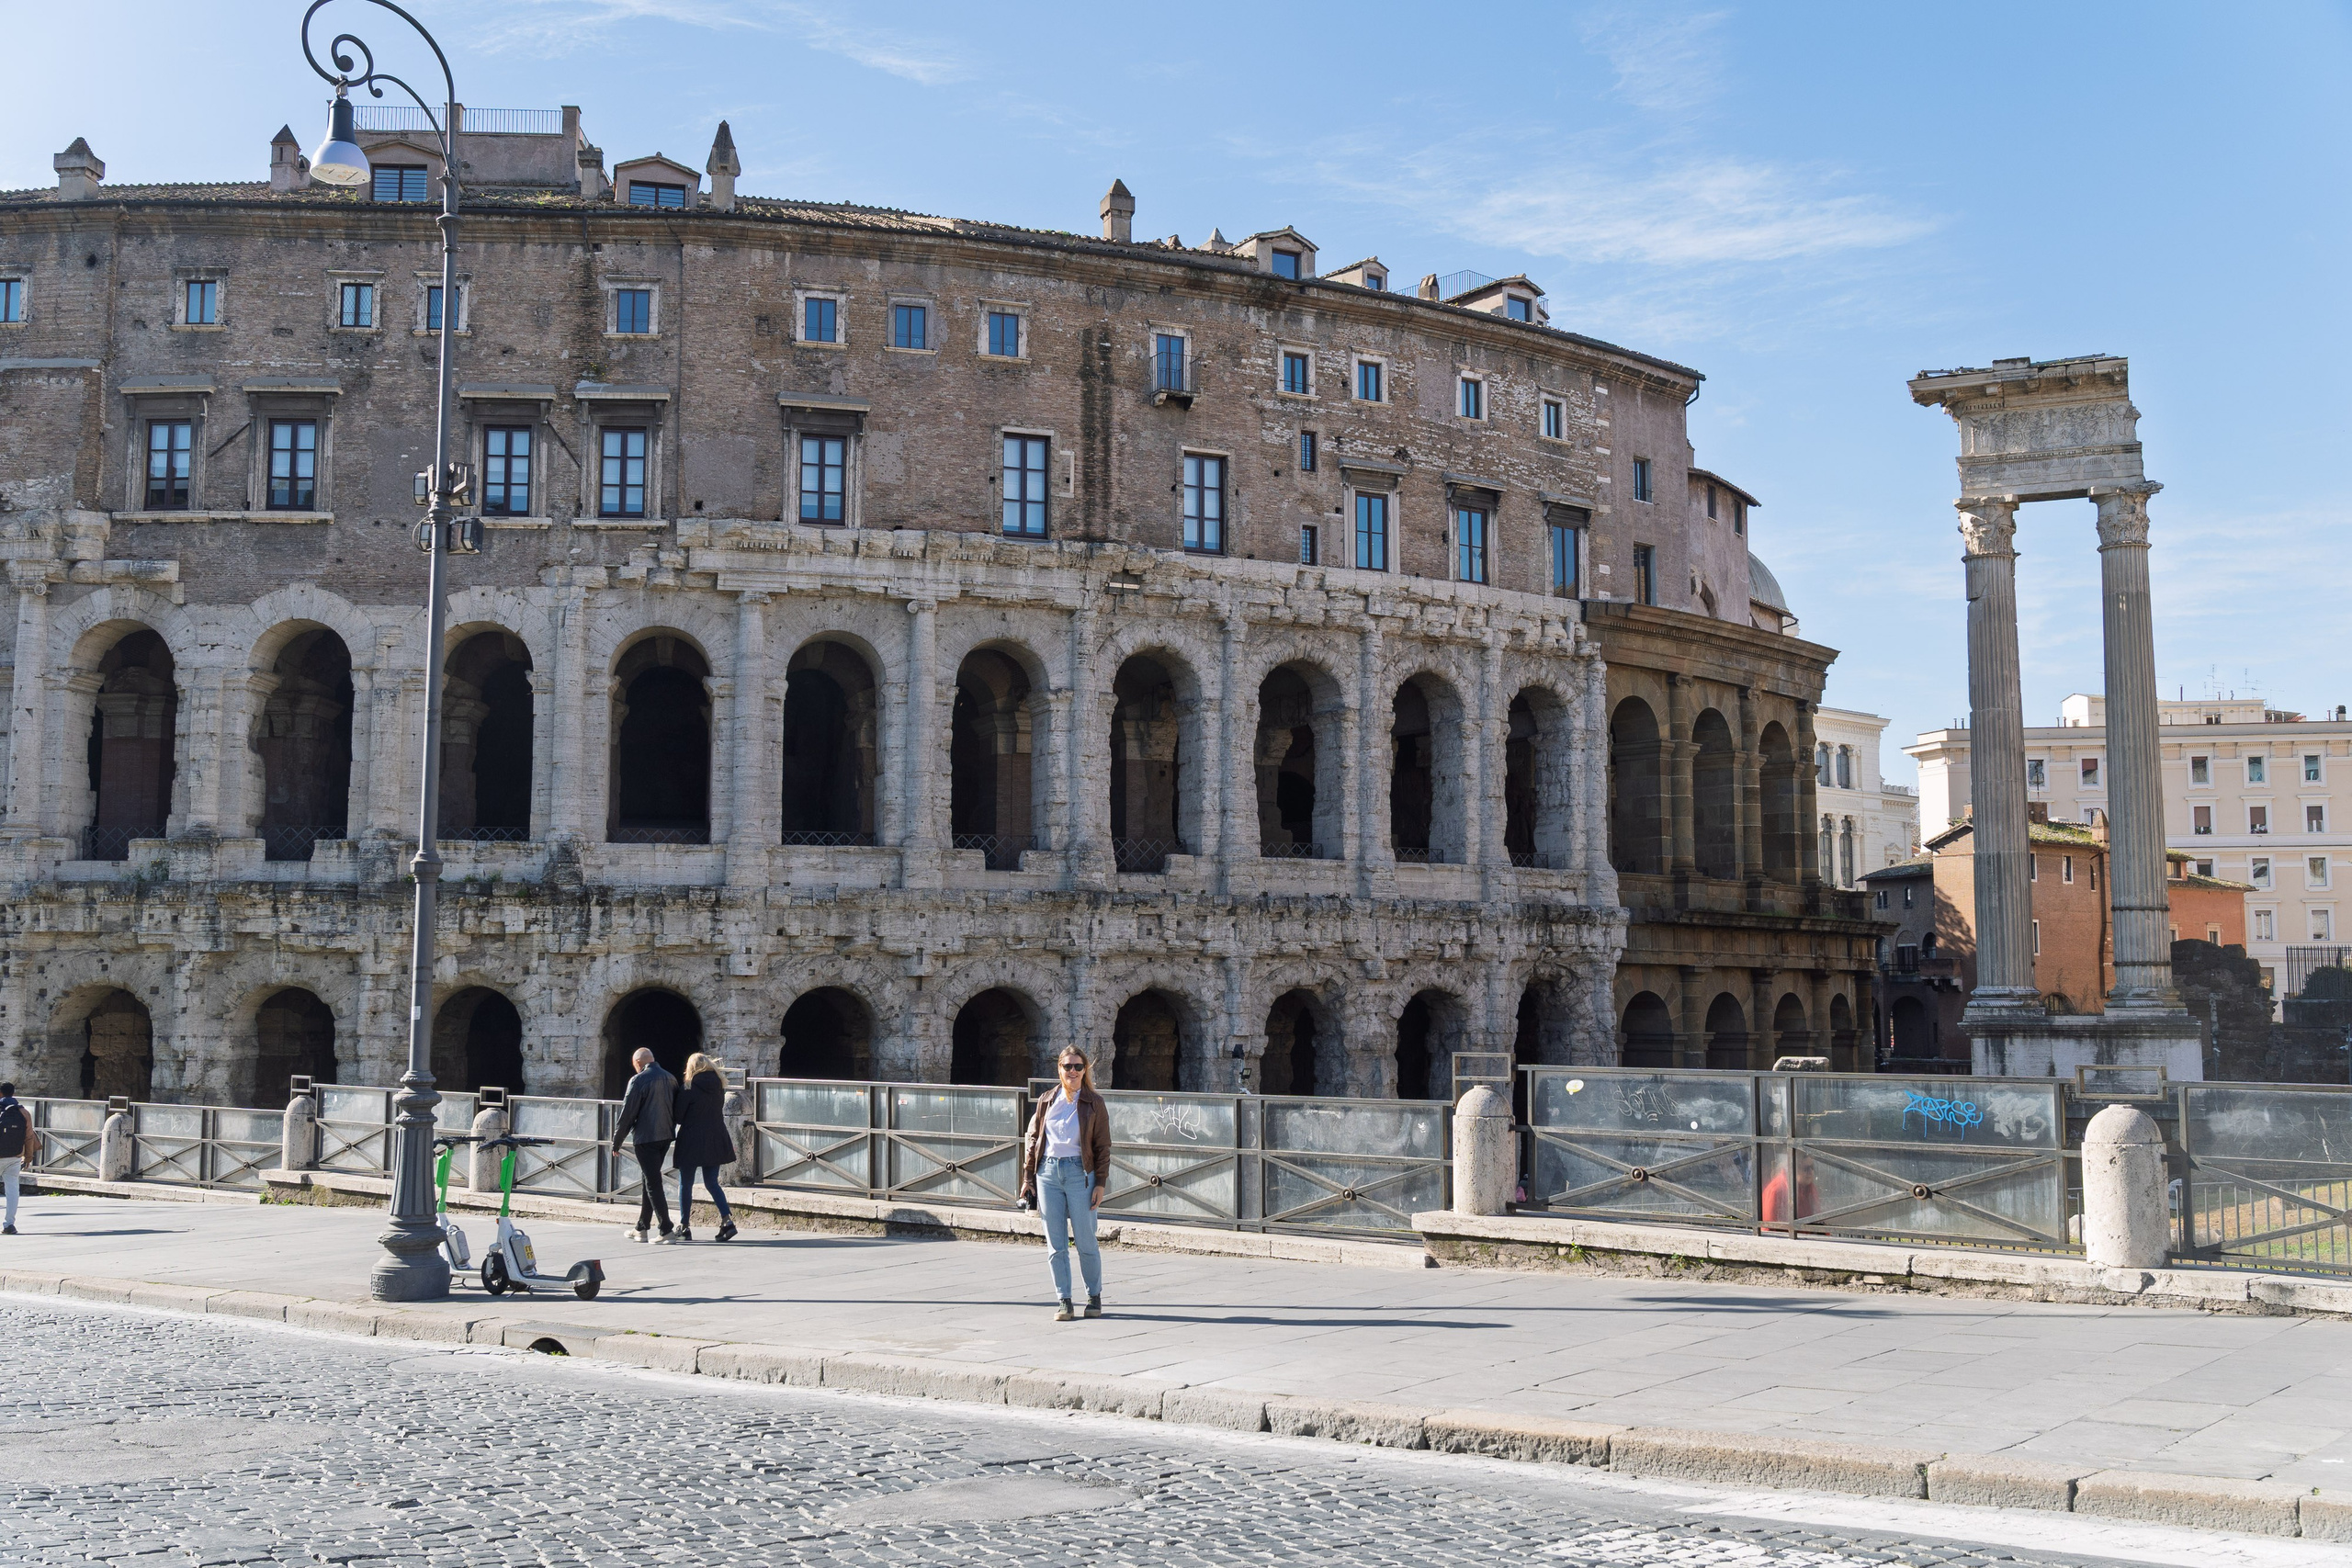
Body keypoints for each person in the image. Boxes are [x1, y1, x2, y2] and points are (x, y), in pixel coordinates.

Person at [1018, 1047, 1111, 1321]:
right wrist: (1028, 1178)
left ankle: (1093, 1296)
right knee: (1055, 1244)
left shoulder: (1094, 1102)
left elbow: (1103, 1146)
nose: (1072, 1071)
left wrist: (1100, 1183)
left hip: (1080, 1173)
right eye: (1067, 1066)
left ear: (1085, 1070)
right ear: (1059, 1069)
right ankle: (1064, 1300)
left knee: (1085, 1240)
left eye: (1078, 1067)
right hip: (1047, 1173)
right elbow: (1033, 1139)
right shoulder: (1047, 1099)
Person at [609, 1047, 679, 1244]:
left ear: (637, 1063)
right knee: (650, 1179)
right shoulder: (670, 1078)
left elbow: (627, 1113)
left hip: (646, 1138)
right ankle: (641, 1227)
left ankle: (666, 1229)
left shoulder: (638, 1080)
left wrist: (616, 1141)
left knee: (653, 1183)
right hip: (665, 1136)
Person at [671, 1052, 738, 1244]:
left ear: (691, 1068)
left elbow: (678, 1117)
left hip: (691, 1139)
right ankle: (727, 1221)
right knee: (712, 1183)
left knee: (686, 1183)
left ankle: (684, 1226)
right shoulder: (719, 1086)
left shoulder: (688, 1087)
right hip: (715, 1138)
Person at [0, 1083, 31, 1236]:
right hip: (14, 1156)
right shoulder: (23, 1112)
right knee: (12, 1191)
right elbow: (29, 1137)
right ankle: (9, 1224)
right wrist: (28, 1157)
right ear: (13, 1093)